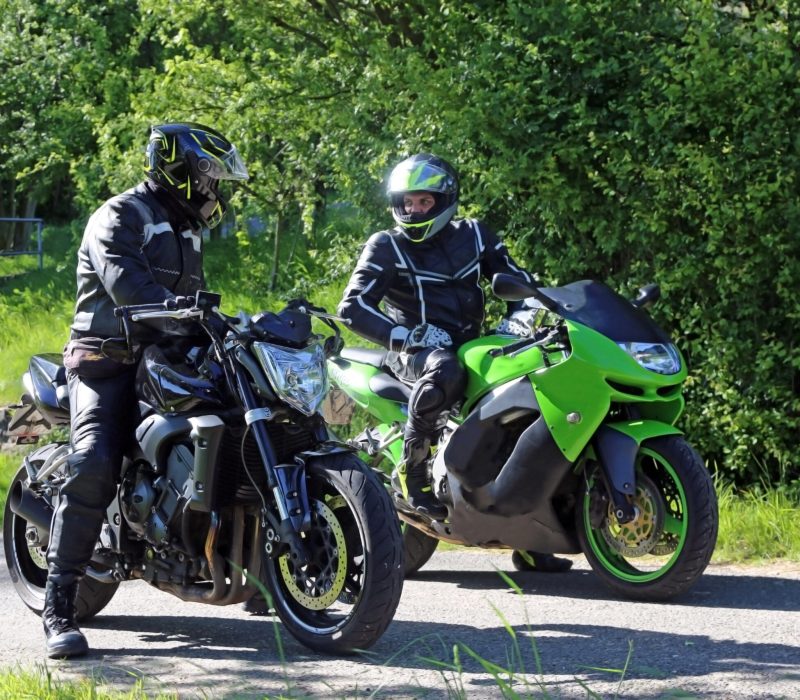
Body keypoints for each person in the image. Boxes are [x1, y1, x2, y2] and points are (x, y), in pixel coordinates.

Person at [43, 122, 249, 659]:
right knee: (93, 462)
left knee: (239, 423)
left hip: (162, 357)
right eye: (209, 179)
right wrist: (189, 314)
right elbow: (133, 289)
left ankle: (256, 564)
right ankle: (59, 604)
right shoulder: (119, 216)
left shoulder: (186, 227)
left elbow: (192, 301)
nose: (214, 191)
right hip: (105, 361)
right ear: (180, 170)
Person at [337, 153, 572, 575]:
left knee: (535, 391)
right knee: (445, 370)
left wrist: (520, 316)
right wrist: (408, 336)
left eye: (424, 202)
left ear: (445, 200)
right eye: (407, 202)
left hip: (474, 343)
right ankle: (414, 472)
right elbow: (352, 307)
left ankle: (534, 531)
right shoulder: (386, 245)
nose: (413, 210)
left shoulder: (476, 235)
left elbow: (518, 280)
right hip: (414, 351)